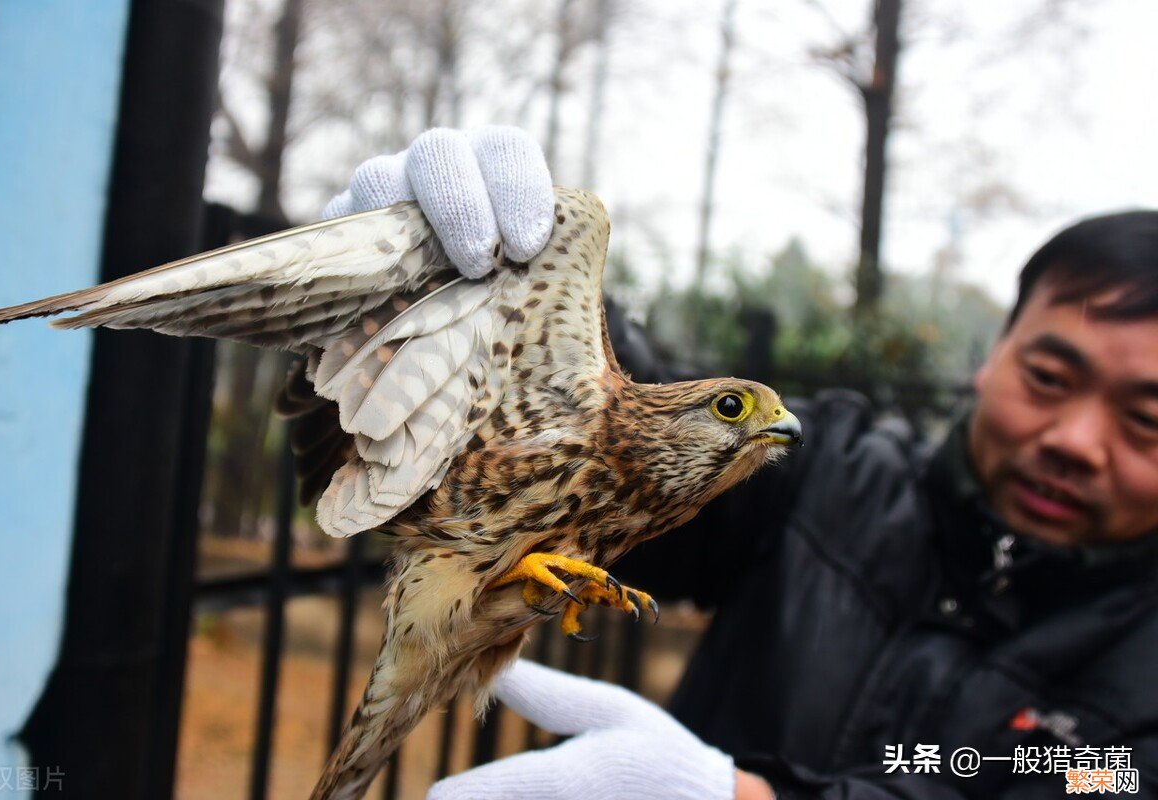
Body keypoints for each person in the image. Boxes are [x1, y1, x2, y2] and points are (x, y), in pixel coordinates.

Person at [324, 127, 1158, 799]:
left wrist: (740, 796)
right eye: (1050, 378)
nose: (1076, 441)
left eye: (1147, 419)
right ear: (993, 355)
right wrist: (482, 272)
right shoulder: (828, 477)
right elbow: (619, 434)